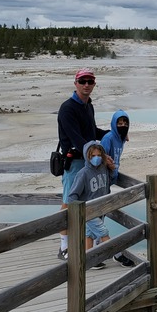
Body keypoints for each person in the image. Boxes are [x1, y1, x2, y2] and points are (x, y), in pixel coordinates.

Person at [56, 68, 112, 260]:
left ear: (94, 84)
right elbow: (77, 139)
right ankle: (64, 246)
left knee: (90, 201)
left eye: (90, 81)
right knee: (69, 201)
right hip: (75, 163)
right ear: (76, 83)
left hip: (89, 164)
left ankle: (88, 249)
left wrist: (113, 134)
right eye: (83, 81)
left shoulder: (88, 106)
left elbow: (92, 131)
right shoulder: (68, 108)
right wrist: (101, 156)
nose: (86, 84)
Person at [67, 141, 112, 270]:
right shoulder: (83, 173)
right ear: (87, 156)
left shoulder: (104, 169)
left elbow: (108, 184)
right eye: (92, 156)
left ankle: (88, 259)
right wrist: (78, 210)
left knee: (89, 234)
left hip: (101, 207)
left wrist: (112, 169)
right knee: (103, 232)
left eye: (99, 155)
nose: (96, 158)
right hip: (88, 210)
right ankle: (118, 254)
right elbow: (72, 195)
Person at [100, 109, 135, 267]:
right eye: (119, 124)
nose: (122, 126)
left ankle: (95, 253)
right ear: (114, 124)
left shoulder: (120, 138)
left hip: (109, 181)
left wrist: (123, 134)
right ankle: (110, 254)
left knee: (99, 217)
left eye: (125, 124)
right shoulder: (108, 139)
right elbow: (100, 159)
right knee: (96, 218)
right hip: (101, 182)